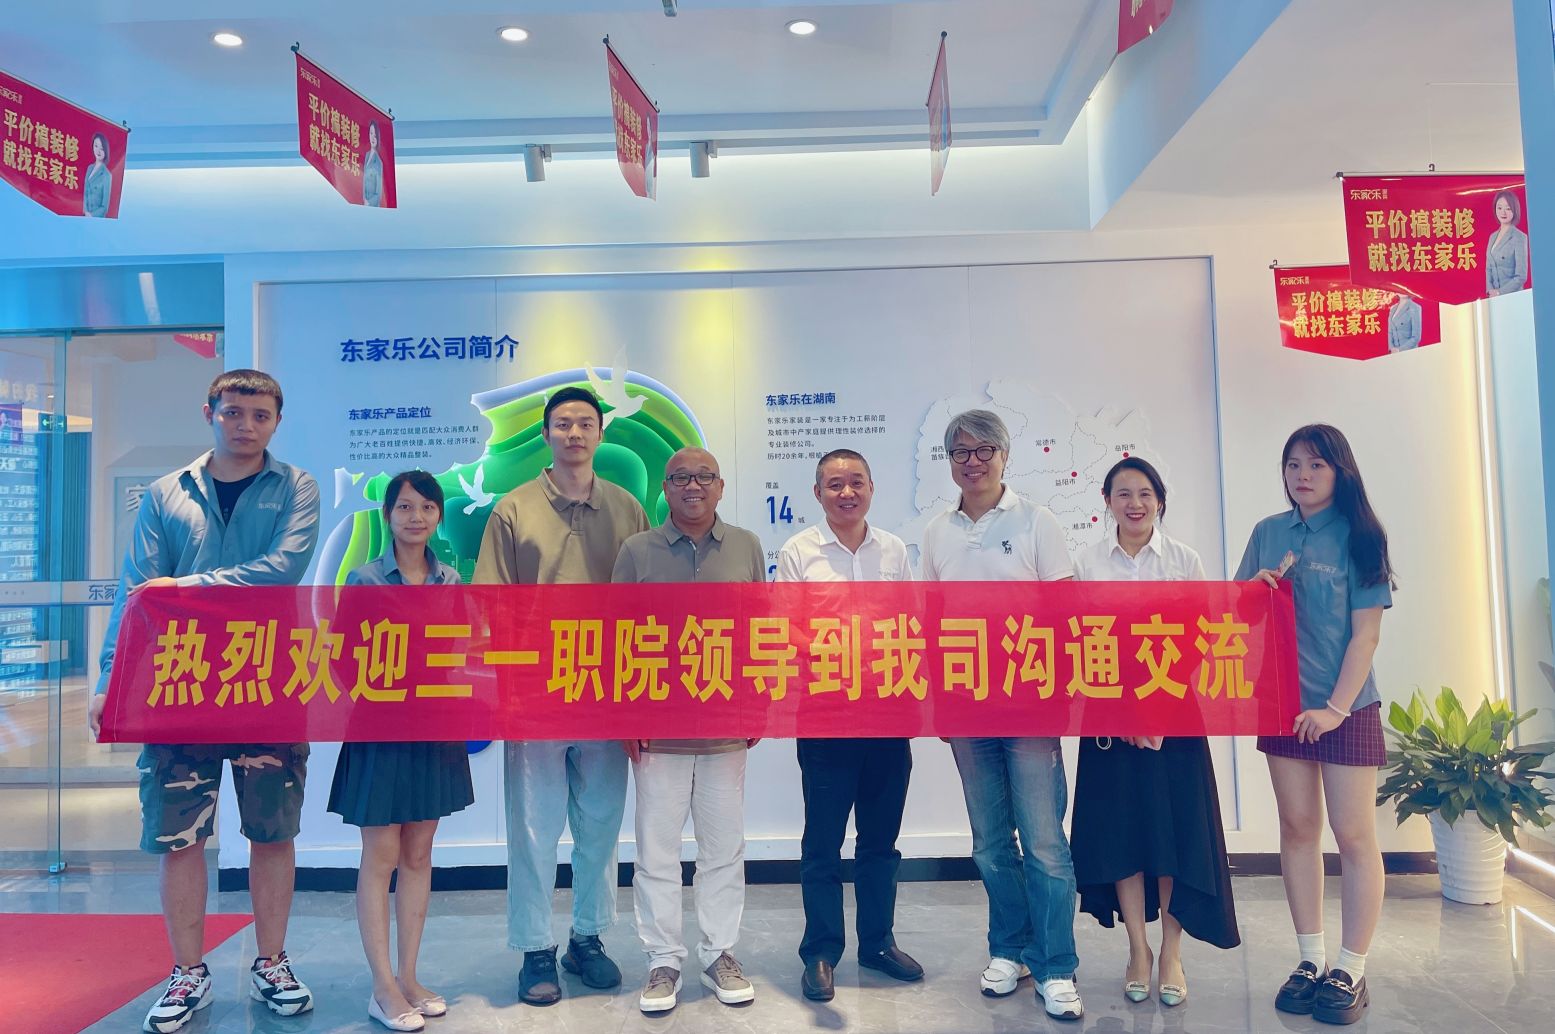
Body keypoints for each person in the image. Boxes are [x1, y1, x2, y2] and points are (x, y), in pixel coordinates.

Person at [89, 370, 320, 1034]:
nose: (246, 425)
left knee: (273, 831)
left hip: (266, 678)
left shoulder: (296, 487)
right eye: (233, 412)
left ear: (276, 421)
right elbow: (138, 591)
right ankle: (187, 971)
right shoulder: (168, 492)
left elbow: (282, 570)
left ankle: (271, 962)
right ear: (210, 413)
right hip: (179, 681)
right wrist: (109, 679)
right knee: (179, 835)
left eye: (260, 415)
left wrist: (188, 586)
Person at [473, 385, 649, 1005]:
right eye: (563, 424)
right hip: (535, 696)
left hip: (607, 692)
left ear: (601, 433)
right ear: (546, 434)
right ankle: (535, 949)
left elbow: (646, 604)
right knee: (533, 827)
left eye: (585, 423)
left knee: (600, 825)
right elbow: (490, 602)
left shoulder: (627, 507)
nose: (574, 433)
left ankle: (587, 939)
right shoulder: (513, 509)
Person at [919, 410, 1084, 1021]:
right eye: (961, 452)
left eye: (984, 449)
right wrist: (939, 700)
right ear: (950, 463)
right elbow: (932, 622)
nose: (973, 461)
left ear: (1004, 456)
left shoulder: (1037, 521)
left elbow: (1065, 612)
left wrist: (1060, 695)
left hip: (1031, 703)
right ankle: (1009, 949)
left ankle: (1056, 965)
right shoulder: (937, 531)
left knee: (1043, 842)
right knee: (990, 843)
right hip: (967, 706)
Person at [1236, 424, 1393, 1027]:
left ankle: (1351, 967)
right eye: (1293, 464)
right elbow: (1237, 615)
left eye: (1316, 465)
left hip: (1345, 706)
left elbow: (1366, 635)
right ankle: (1310, 959)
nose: (1302, 475)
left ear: (1340, 471)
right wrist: (1253, 593)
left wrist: (1334, 708)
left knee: (1353, 836)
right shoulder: (1268, 532)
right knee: (1299, 828)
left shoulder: (1362, 535)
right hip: (1282, 702)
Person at [1069, 456, 1239, 1011]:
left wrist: (1157, 712)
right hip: (1110, 718)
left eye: (1145, 493)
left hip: (1174, 717)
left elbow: (1202, 638)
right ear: (1107, 502)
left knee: (1172, 836)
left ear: (1160, 501)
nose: (1135, 503)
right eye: (1123, 494)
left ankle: (1171, 953)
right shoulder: (1086, 563)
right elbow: (1080, 641)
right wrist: (1124, 712)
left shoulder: (1184, 561)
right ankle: (1137, 951)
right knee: (1123, 833)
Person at [611, 447, 764, 1014]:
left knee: (724, 848)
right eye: (680, 478)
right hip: (658, 730)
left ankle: (719, 953)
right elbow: (615, 634)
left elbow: (761, 628)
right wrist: (625, 714)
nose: (692, 486)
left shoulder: (746, 546)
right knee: (657, 851)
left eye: (704, 477)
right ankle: (663, 960)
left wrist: (758, 703)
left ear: (720, 486)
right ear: (665, 488)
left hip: (726, 726)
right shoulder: (637, 550)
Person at [328, 471, 474, 1031]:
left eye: (427, 507)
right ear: (388, 515)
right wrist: (389, 692)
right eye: (405, 507)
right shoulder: (364, 580)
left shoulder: (450, 580)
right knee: (381, 856)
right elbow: (342, 661)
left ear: (438, 516)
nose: (417, 517)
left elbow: (457, 650)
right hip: (380, 731)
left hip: (434, 727)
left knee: (418, 853)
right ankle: (382, 987)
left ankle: (409, 977)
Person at [776, 448, 923, 1003]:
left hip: (887, 714)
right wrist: (838, 655)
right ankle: (820, 952)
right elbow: (785, 626)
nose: (847, 492)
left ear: (871, 488)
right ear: (817, 494)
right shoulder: (799, 551)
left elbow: (909, 620)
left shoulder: (893, 550)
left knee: (881, 842)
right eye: (835, 484)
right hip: (826, 716)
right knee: (823, 843)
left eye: (856, 482)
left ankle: (878, 944)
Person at [1485, 189, 1529, 296]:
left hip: (1514, 297)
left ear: (1514, 210)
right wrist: (1490, 291)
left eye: (1508, 208)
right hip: (1494, 297)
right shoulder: (1492, 237)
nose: (1503, 212)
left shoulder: (1519, 237)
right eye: (1499, 208)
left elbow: (1521, 276)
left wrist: (1499, 292)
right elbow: (1488, 268)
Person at [83, 131, 112, 217]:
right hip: (84, 216)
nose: (98, 151)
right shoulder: (89, 168)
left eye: (102, 148)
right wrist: (85, 211)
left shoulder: (106, 175)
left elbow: (104, 207)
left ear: (106, 151)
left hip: (97, 219)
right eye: (96, 146)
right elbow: (85, 193)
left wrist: (91, 215)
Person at [363, 121, 385, 208]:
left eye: (375, 136)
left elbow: (378, 193)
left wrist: (369, 202)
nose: (372, 138)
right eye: (371, 133)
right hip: (364, 202)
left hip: (372, 205)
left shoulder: (378, 163)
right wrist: (364, 199)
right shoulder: (367, 155)